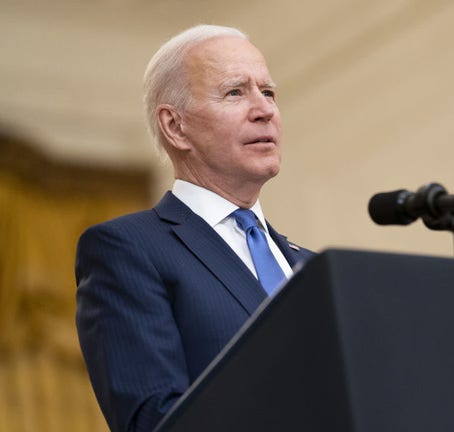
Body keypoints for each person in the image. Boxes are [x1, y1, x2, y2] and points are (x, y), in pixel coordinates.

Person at [75, 24, 315, 432]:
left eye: (268, 92)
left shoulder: (313, 269)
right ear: (175, 126)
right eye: (235, 92)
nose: (265, 109)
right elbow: (154, 419)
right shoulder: (129, 249)